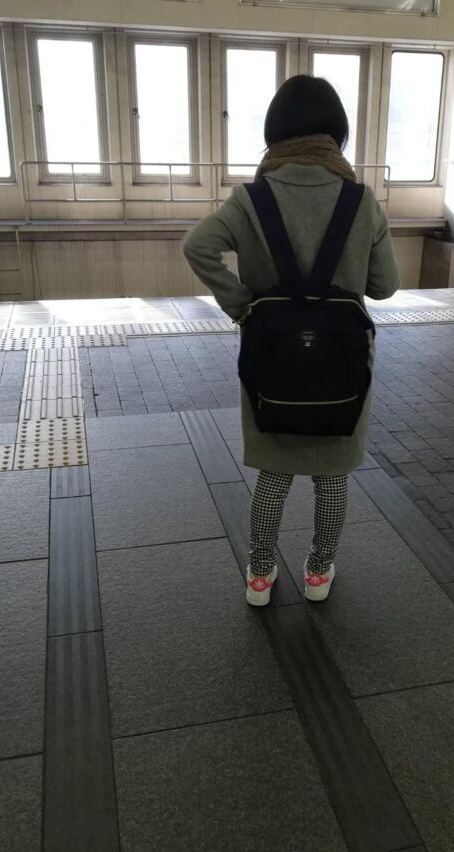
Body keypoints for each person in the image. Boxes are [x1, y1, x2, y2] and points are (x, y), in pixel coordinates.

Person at [182, 74, 400, 606]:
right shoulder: (361, 200)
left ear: (274, 132)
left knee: (274, 475)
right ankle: (319, 572)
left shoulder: (250, 199)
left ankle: (260, 575)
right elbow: (385, 286)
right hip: (343, 360)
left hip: (271, 355)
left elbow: (197, 246)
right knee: (332, 478)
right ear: (337, 133)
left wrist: (242, 304)